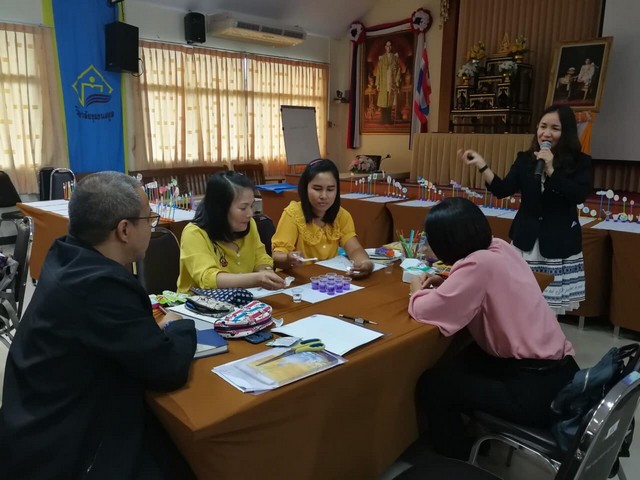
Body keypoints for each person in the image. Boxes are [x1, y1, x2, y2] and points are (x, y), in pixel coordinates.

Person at [0, 172, 197, 479]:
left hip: (30, 425)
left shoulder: (67, 254)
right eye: (148, 219)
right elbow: (167, 369)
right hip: (66, 450)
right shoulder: (100, 285)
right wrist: (179, 327)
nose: (151, 226)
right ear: (124, 230)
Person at [408, 197, 579, 460]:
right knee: (462, 359)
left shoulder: (479, 265)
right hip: (560, 373)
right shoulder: (499, 247)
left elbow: (426, 310)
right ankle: (472, 431)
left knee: (434, 384)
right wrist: (450, 282)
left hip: (534, 393)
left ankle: (457, 455)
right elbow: (484, 285)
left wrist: (415, 291)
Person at [460, 104, 591, 314]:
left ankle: (547, 334)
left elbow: (578, 195)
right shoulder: (525, 159)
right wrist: (482, 165)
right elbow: (502, 189)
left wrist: (551, 170)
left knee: (548, 309)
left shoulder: (581, 162)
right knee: (519, 304)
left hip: (558, 242)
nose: (546, 133)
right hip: (526, 240)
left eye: (555, 128)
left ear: (566, 132)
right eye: (543, 126)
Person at [177, 171, 285, 292]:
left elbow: (260, 257)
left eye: (251, 206)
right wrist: (257, 278)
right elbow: (208, 278)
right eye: (243, 208)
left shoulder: (248, 224)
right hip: (198, 301)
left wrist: (266, 272)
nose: (250, 214)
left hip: (245, 298)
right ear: (220, 209)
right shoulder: (194, 233)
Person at [271, 159, 373, 278]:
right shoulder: (293, 214)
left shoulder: (341, 215)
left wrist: (365, 263)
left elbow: (354, 249)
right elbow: (277, 256)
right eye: (317, 189)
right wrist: (288, 259)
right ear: (305, 188)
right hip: (297, 281)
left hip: (327, 280)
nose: (324, 196)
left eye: (330, 189)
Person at [375, 40, 401, 124]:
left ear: (391, 47)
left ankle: (388, 119)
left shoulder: (395, 58)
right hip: (383, 82)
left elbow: (398, 69)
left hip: (391, 82)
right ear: (385, 47)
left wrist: (397, 80)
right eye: (387, 46)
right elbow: (378, 71)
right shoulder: (382, 58)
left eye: (390, 46)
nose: (388, 47)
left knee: (389, 101)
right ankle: (383, 119)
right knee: (383, 101)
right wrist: (377, 84)